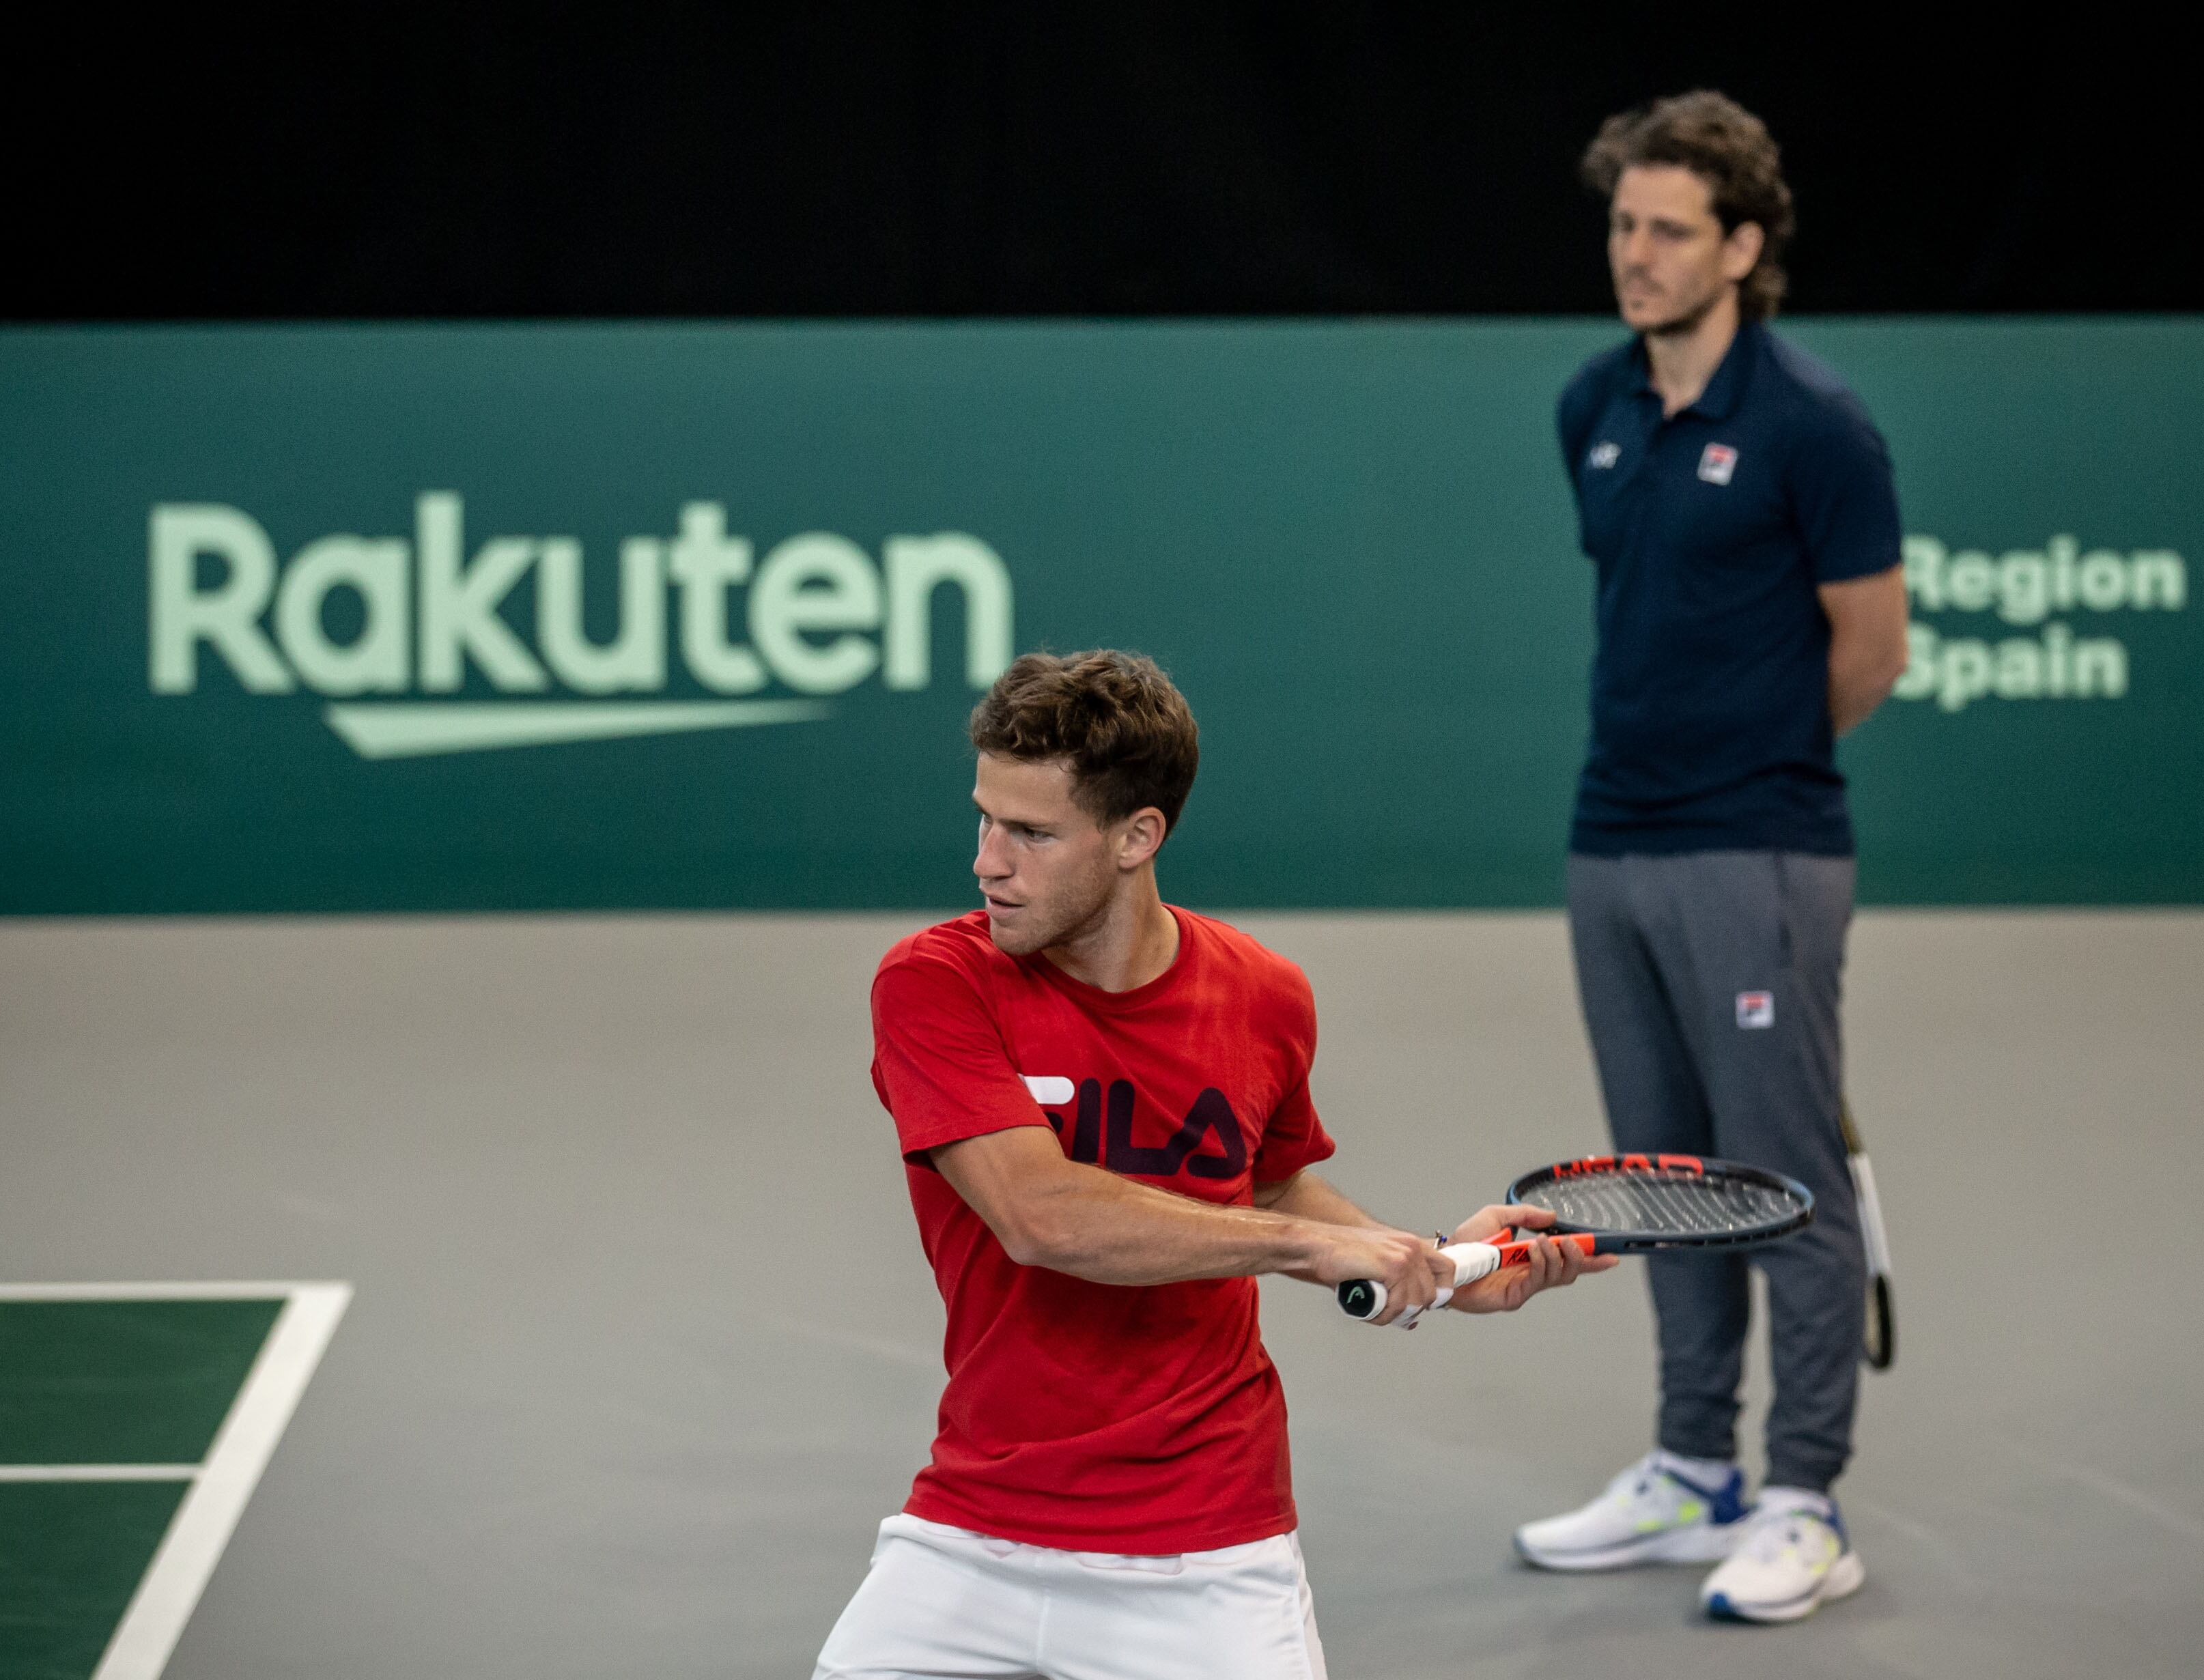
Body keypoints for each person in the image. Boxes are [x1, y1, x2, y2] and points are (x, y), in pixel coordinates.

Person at [813, 650, 1611, 1680]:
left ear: (1139, 835)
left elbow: (1267, 1181)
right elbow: (1038, 1215)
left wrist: (1435, 1268)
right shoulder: (936, 983)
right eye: (986, 818)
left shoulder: (1265, 998)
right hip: (972, 1532)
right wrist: (1310, 1246)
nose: (987, 861)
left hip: (1207, 1550)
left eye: (1033, 833)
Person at [1512, 91, 1909, 1623]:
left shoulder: (1815, 423)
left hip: (1759, 854)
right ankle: (1693, 1470)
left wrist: (1745, 767)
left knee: (1782, 1183)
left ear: (1742, 246)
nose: (1637, 253)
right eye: (1623, 224)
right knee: (1662, 1181)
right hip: (1607, 843)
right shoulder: (1590, 408)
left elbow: (1866, 651)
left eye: (1670, 229)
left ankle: (1805, 1495)